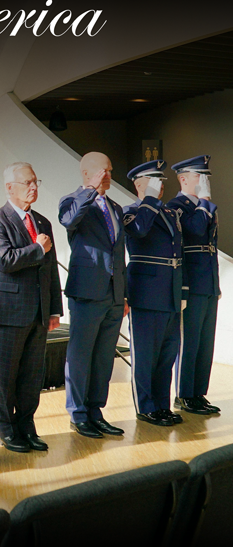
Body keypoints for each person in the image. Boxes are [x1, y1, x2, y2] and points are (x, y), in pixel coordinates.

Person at [0, 163, 62, 453]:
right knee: (6, 375)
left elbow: (50, 269)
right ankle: (4, 428)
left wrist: (54, 309)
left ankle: (27, 426)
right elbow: (4, 260)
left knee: (32, 375)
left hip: (39, 312)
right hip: (10, 310)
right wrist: (37, 249)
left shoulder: (42, 223)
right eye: (27, 182)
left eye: (35, 181)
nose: (33, 187)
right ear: (9, 188)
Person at [58, 151, 128, 439]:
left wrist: (124, 296)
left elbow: (119, 253)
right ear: (87, 173)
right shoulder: (72, 201)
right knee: (80, 355)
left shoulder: (116, 207)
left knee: (102, 358)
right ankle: (78, 414)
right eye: (103, 170)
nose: (108, 175)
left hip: (113, 295)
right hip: (87, 292)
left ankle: (96, 411)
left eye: (110, 170)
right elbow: (69, 220)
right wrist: (89, 190)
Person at [122, 160, 185, 427]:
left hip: (169, 292)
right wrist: (148, 199)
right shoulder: (131, 211)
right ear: (139, 185)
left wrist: (181, 290)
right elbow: (139, 231)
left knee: (167, 354)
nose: (160, 187)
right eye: (153, 181)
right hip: (146, 293)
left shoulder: (170, 213)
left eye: (161, 181)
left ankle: (162, 405)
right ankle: (146, 407)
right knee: (145, 355)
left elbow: (177, 253)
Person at [168, 155, 221, 415]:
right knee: (188, 342)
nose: (205, 182)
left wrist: (215, 285)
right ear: (184, 179)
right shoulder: (176, 206)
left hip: (208, 284)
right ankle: (184, 395)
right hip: (191, 284)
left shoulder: (205, 206)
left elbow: (210, 248)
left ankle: (198, 393)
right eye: (201, 177)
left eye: (206, 176)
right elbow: (194, 232)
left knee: (205, 342)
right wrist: (204, 204)